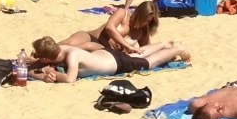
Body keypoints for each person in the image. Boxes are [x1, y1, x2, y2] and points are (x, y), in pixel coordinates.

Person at [32, 40, 189, 83]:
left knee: (148, 63)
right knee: (137, 56)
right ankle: (163, 44)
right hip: (106, 55)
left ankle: (177, 49)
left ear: (46, 58)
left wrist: (52, 74)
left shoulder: (71, 55)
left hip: (115, 64)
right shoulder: (62, 48)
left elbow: (70, 79)